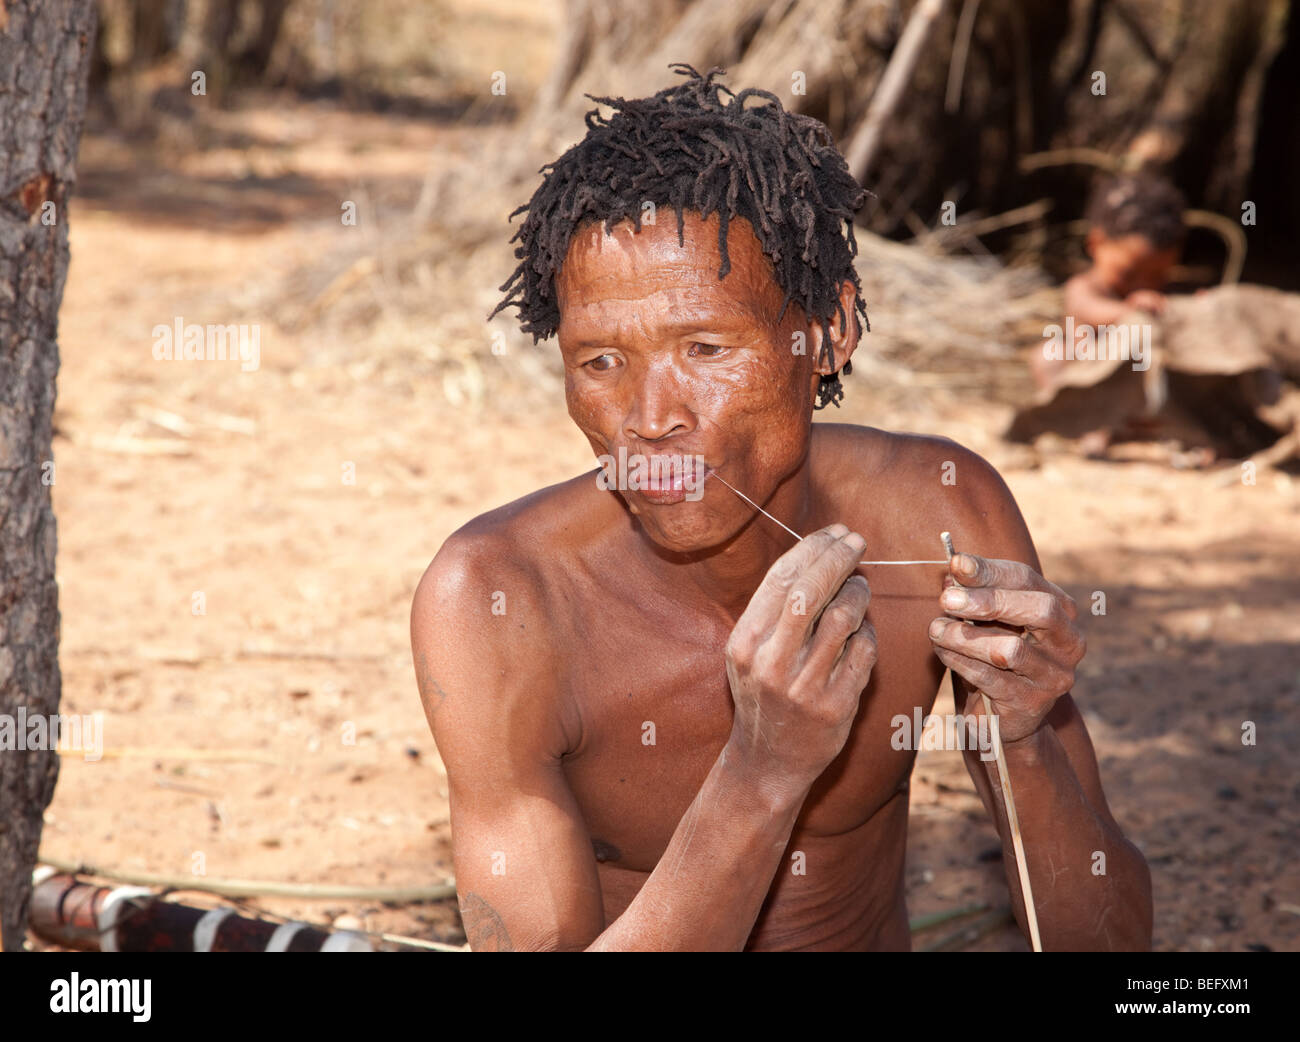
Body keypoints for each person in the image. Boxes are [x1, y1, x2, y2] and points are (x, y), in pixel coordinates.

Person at [410, 65, 1152, 951]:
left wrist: (1026, 739)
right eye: (601, 362)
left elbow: (1113, 955)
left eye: (706, 347)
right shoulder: (501, 601)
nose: (651, 420)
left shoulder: (937, 513)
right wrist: (760, 773)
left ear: (827, 332)